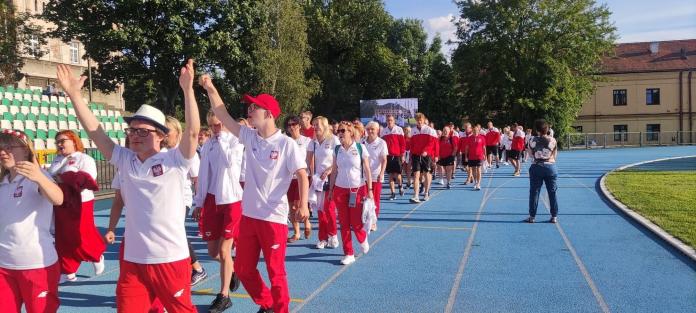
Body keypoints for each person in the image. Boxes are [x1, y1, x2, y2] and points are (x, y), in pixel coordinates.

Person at [57, 60, 200, 312]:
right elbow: (95, 131)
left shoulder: (175, 159)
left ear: (160, 135)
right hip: (133, 261)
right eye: (132, 130)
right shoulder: (125, 159)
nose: (134, 135)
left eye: (142, 131)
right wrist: (74, 95)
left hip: (171, 259)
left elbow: (191, 134)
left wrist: (188, 90)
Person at [202, 75, 308, 313]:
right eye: (249, 106)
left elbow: (301, 174)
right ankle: (267, 303)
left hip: (273, 219)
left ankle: (280, 310)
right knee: (243, 269)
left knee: (276, 272)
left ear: (269, 114)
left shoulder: (286, 144)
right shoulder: (249, 137)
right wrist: (210, 88)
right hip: (249, 216)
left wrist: (303, 205)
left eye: (254, 107)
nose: (249, 110)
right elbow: (222, 114)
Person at [0, 130, 64, 313]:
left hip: (36, 265)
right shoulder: (2, 181)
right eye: (1, 147)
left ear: (26, 150)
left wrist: (38, 177)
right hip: (3, 266)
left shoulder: (38, 177)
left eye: (9, 147)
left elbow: (58, 198)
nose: (3, 152)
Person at [193, 110, 243, 312]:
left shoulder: (235, 141)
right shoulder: (208, 145)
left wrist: (222, 137)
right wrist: (199, 202)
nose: (216, 129)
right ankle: (233, 268)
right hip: (212, 201)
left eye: (220, 125)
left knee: (224, 250)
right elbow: (203, 175)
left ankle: (224, 295)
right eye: (213, 126)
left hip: (231, 200)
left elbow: (230, 163)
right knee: (213, 252)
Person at [47, 130, 105, 284]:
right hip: (61, 202)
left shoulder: (84, 159)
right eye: (57, 142)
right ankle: (68, 270)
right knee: (63, 236)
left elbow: (88, 179)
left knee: (82, 233)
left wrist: (63, 178)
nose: (59, 144)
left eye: (62, 141)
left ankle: (96, 255)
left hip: (81, 202)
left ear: (74, 141)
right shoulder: (56, 160)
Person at [329, 121, 373, 265]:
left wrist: (370, 190)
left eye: (342, 131)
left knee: (356, 221)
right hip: (340, 189)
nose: (339, 134)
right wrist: (330, 190)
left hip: (357, 189)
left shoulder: (360, 148)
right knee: (344, 222)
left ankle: (362, 238)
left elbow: (367, 170)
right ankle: (349, 253)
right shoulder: (337, 150)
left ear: (350, 132)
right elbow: (334, 170)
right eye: (338, 131)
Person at [307, 116, 340, 249]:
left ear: (325, 126)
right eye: (313, 125)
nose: (314, 127)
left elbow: (339, 158)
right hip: (318, 180)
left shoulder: (333, 140)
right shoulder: (313, 142)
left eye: (317, 125)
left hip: (331, 179)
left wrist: (330, 169)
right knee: (320, 210)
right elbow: (307, 160)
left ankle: (333, 235)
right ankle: (323, 238)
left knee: (329, 208)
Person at [284, 116, 312, 243]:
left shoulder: (307, 141)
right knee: (291, 206)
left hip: (303, 177)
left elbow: (311, 160)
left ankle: (307, 222)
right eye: (289, 125)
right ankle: (296, 232)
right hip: (289, 178)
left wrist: (312, 175)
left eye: (294, 124)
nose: (291, 127)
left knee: (299, 204)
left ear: (300, 126)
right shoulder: (285, 141)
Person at [525, 119, 559, 224]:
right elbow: (555, 156)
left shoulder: (531, 139)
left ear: (537, 130)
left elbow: (530, 155)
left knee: (534, 192)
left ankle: (532, 217)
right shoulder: (553, 140)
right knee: (552, 192)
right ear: (547, 129)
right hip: (550, 168)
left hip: (536, 167)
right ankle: (554, 216)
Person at [409, 113, 437, 203]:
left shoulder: (430, 130)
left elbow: (432, 143)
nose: (419, 121)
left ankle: (426, 192)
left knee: (426, 174)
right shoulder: (413, 131)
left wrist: (426, 151)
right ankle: (416, 195)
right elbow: (411, 144)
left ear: (424, 120)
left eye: (420, 120)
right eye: (417, 120)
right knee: (416, 175)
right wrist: (411, 155)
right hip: (416, 155)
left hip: (426, 155)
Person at [364, 121, 387, 231]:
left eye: (373, 129)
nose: (370, 131)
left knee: (374, 199)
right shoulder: (362, 142)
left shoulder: (382, 143)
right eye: (368, 129)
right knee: (364, 199)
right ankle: (365, 219)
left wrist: (381, 173)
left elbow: (384, 160)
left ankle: (373, 221)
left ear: (377, 130)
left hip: (376, 176)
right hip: (363, 177)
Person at [380, 115, 406, 200]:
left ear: (394, 121)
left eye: (391, 120)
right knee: (390, 175)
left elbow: (402, 143)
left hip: (397, 156)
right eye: (388, 120)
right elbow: (382, 145)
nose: (389, 122)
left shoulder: (399, 130)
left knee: (397, 175)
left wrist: (402, 155)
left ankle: (400, 185)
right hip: (388, 156)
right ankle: (393, 193)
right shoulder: (384, 131)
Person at [464, 125, 486, 190]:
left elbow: (484, 148)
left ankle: (478, 183)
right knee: (473, 169)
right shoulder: (469, 138)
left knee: (479, 169)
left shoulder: (482, 138)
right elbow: (467, 148)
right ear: (472, 131)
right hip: (471, 156)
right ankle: (475, 182)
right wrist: (466, 156)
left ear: (479, 131)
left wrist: (485, 155)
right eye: (474, 131)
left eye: (476, 130)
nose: (475, 132)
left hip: (479, 156)